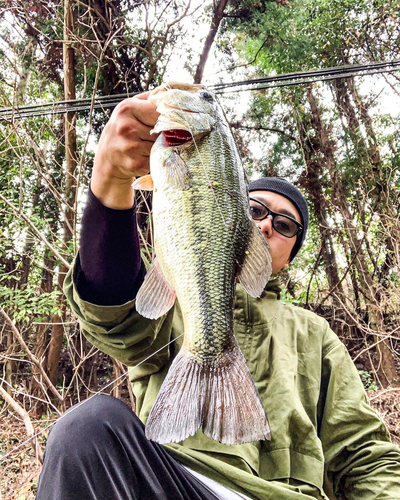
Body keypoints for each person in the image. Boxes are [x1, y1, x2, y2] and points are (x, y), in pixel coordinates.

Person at [36, 92, 400, 500]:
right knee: (87, 428)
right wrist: (110, 181)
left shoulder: (315, 334)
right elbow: (114, 312)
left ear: (288, 254)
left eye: (285, 225)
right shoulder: (175, 300)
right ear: (234, 212)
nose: (266, 227)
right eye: (257, 211)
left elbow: (365, 454)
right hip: (172, 482)